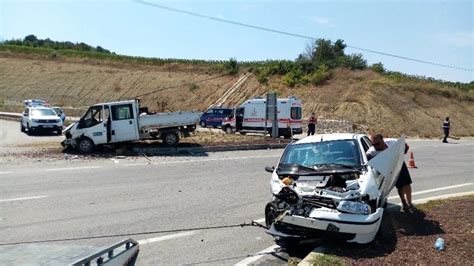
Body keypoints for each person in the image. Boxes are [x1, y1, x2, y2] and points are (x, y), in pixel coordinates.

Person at [366, 134, 414, 212]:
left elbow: (405, 146)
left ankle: (410, 203)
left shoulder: (392, 142)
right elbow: (368, 160)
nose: (376, 146)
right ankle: (404, 203)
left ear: (382, 140)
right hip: (388, 169)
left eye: (378, 144)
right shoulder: (372, 152)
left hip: (399, 163)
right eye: (373, 144)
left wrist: (403, 151)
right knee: (399, 186)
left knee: (407, 183)